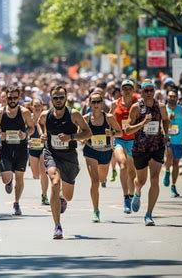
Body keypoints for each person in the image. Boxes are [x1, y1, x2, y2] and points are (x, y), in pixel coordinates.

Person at [38, 85, 92, 239]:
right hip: (51, 153)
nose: (59, 100)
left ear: (66, 98)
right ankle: (57, 226)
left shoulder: (73, 114)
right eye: (55, 97)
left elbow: (88, 133)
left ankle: (62, 198)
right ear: (51, 99)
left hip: (69, 157)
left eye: (61, 97)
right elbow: (39, 124)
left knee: (68, 196)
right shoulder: (45, 115)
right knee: (55, 183)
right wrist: (42, 135)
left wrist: (71, 137)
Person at [125, 79, 169, 226]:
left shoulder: (161, 107)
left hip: (157, 146)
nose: (149, 93)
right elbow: (127, 130)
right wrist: (142, 123)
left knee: (155, 178)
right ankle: (137, 191)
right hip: (140, 148)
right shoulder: (136, 108)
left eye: (152, 90)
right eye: (146, 90)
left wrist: (166, 133)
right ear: (141, 92)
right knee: (141, 180)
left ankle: (149, 214)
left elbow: (166, 120)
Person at [0, 86, 35, 216]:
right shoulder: (0, 112)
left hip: (21, 149)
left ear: (19, 98)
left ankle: (16, 203)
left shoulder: (24, 112)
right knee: (5, 178)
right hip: (6, 149)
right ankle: (8, 182)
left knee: (20, 177)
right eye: (10, 98)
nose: (12, 100)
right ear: (6, 98)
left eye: (15, 97)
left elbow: (31, 127)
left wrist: (25, 134)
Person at [82, 92, 122, 222]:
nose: (96, 104)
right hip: (91, 151)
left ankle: (103, 179)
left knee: (101, 179)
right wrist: (82, 139)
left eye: (98, 101)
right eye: (93, 102)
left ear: (102, 102)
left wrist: (112, 133)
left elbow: (120, 133)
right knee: (94, 182)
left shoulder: (109, 117)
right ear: (89, 103)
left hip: (105, 152)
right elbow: (78, 135)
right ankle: (96, 210)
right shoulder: (85, 118)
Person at [110, 80, 138, 214]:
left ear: (133, 90)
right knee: (123, 165)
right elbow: (110, 119)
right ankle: (126, 197)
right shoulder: (115, 104)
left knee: (132, 173)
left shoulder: (137, 104)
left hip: (133, 140)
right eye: (124, 88)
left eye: (129, 88)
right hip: (119, 139)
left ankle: (132, 195)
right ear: (121, 90)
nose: (127, 90)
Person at [164, 89, 182, 197]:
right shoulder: (164, 109)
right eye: (170, 96)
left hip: (179, 140)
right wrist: (168, 120)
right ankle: (167, 170)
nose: (172, 98)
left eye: (174, 96)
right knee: (169, 156)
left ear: (177, 98)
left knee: (176, 162)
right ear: (167, 97)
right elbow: (161, 123)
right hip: (168, 139)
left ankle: (173, 185)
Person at [26, 98, 49, 205]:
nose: (37, 107)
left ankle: (44, 195)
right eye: (35, 105)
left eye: (39, 105)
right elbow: (23, 131)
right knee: (36, 175)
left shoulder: (45, 118)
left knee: (44, 173)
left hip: (43, 148)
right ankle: (43, 189)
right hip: (32, 148)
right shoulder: (28, 118)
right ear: (31, 107)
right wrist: (27, 140)